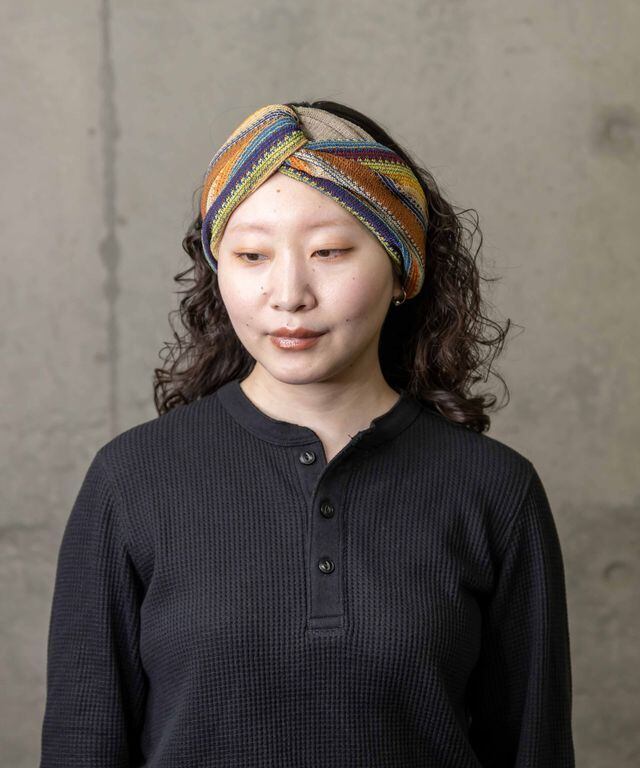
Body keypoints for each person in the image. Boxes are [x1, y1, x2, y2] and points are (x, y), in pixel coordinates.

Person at [39, 101, 575, 767]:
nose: (289, 292)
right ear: (218, 267)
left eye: (330, 251)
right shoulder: (131, 480)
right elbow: (81, 745)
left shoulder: (496, 489)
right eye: (252, 254)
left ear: (402, 267)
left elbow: (533, 748)